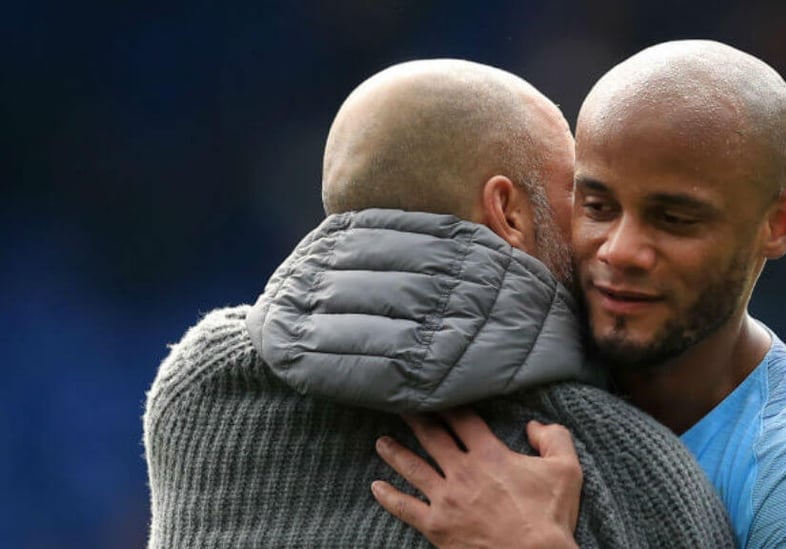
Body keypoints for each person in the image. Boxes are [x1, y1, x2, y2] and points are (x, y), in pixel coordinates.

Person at [143, 58, 735, 548]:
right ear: (508, 212)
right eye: (578, 197)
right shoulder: (623, 464)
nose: (597, 237)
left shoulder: (200, 382)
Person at [372, 41, 786, 548]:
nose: (620, 251)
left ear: (779, 223)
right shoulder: (487, 360)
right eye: (598, 208)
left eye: (674, 219)